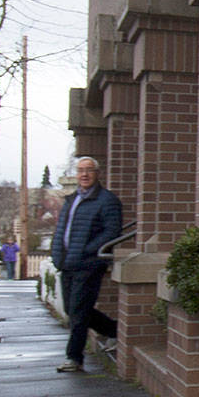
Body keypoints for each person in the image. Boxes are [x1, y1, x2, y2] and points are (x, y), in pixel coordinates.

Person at [50, 157, 122, 373]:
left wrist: (86, 250)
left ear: (97, 173)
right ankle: (115, 330)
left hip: (88, 265)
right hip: (67, 264)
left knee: (79, 312)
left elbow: (111, 233)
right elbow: (61, 231)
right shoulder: (71, 200)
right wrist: (57, 255)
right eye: (81, 170)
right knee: (73, 311)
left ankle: (74, 358)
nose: (84, 174)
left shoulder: (107, 201)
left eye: (89, 170)